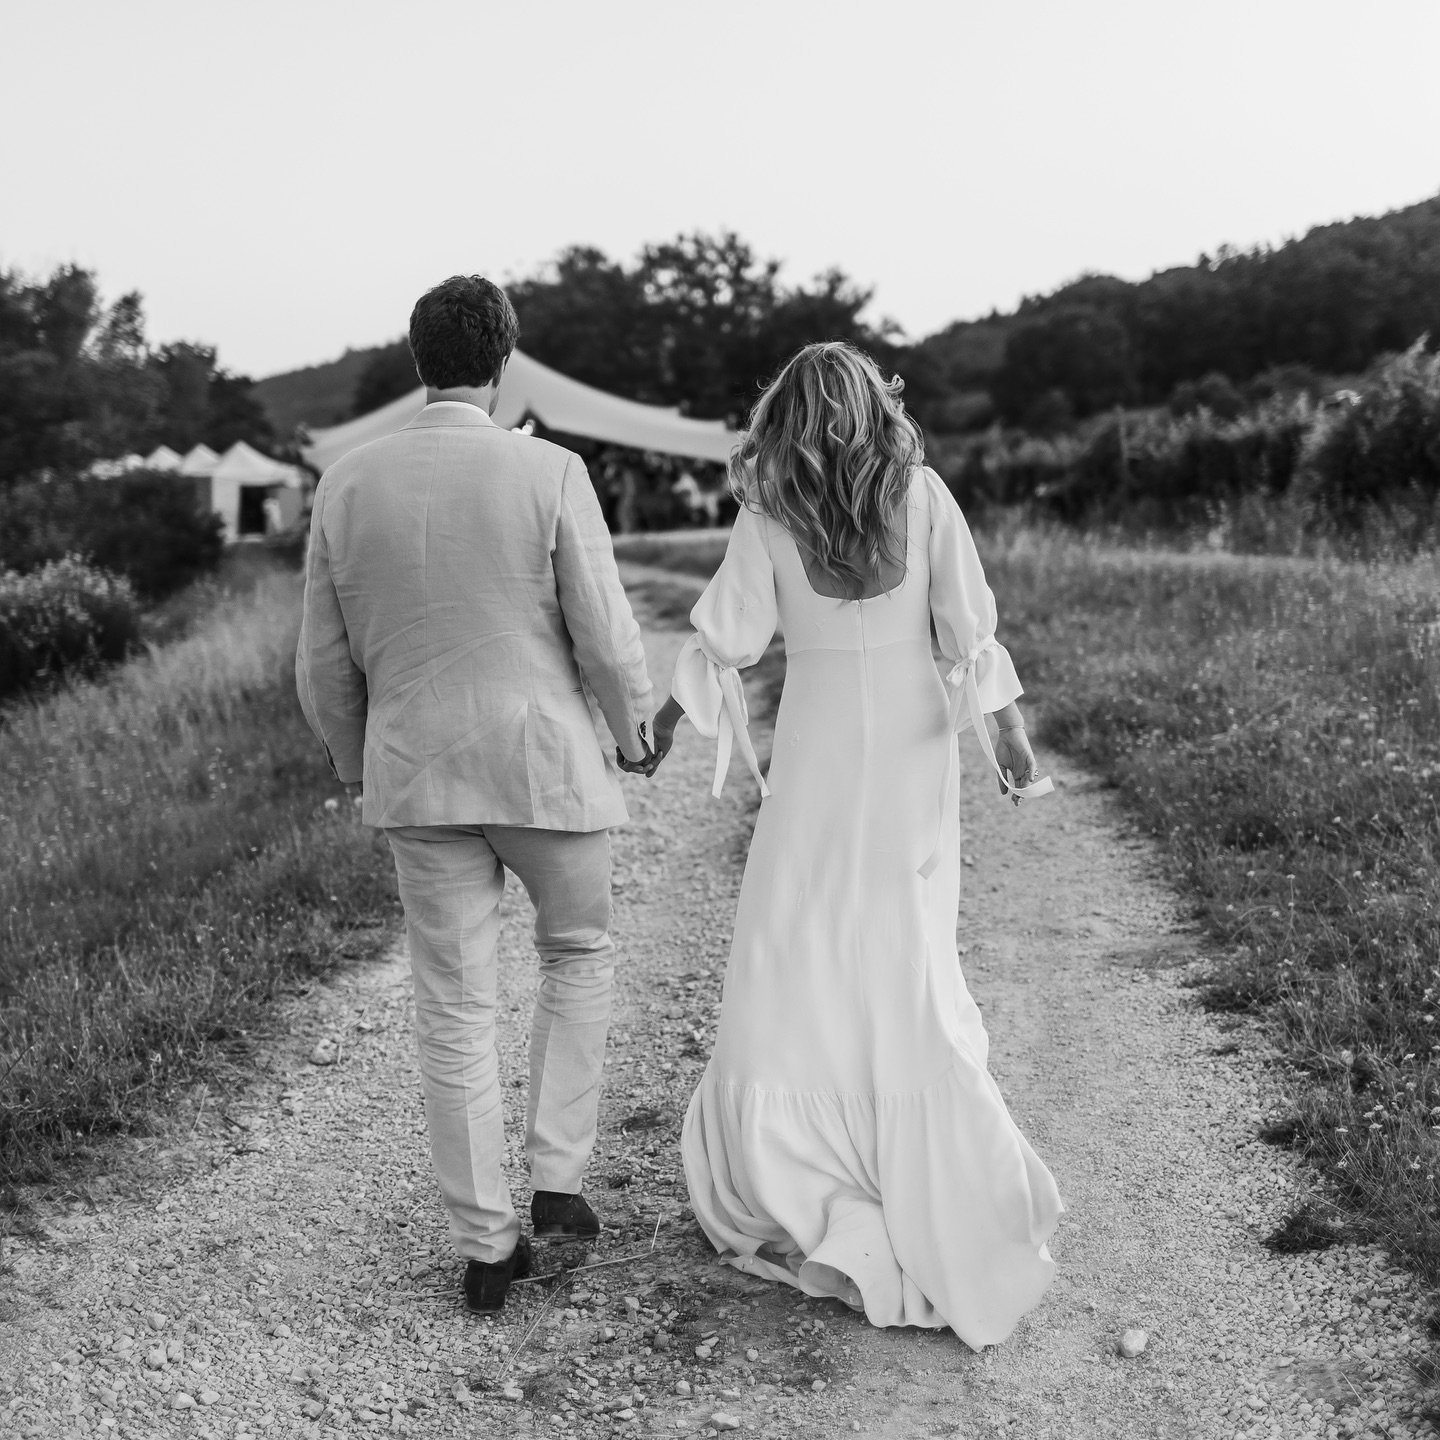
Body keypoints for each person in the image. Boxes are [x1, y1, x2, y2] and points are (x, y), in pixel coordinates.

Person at [635, 341, 1063, 1347]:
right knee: (902, 937)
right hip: (913, 751)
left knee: (794, 935)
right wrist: (1014, 748)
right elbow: (967, 636)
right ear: (877, 410)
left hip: (823, 751)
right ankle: (915, 1131)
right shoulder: (925, 497)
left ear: (785, 415)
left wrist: (655, 729)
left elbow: (725, 642)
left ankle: (805, 1151)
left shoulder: (771, 512)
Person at [296, 275, 655, 1314]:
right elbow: (605, 629)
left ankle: (486, 1248)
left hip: (419, 775)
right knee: (579, 954)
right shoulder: (551, 469)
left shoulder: (346, 484)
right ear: (505, 364)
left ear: (419, 361)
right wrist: (632, 735)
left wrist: (360, 761)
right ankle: (557, 1180)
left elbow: (322, 664)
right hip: (544, 766)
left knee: (453, 1004)